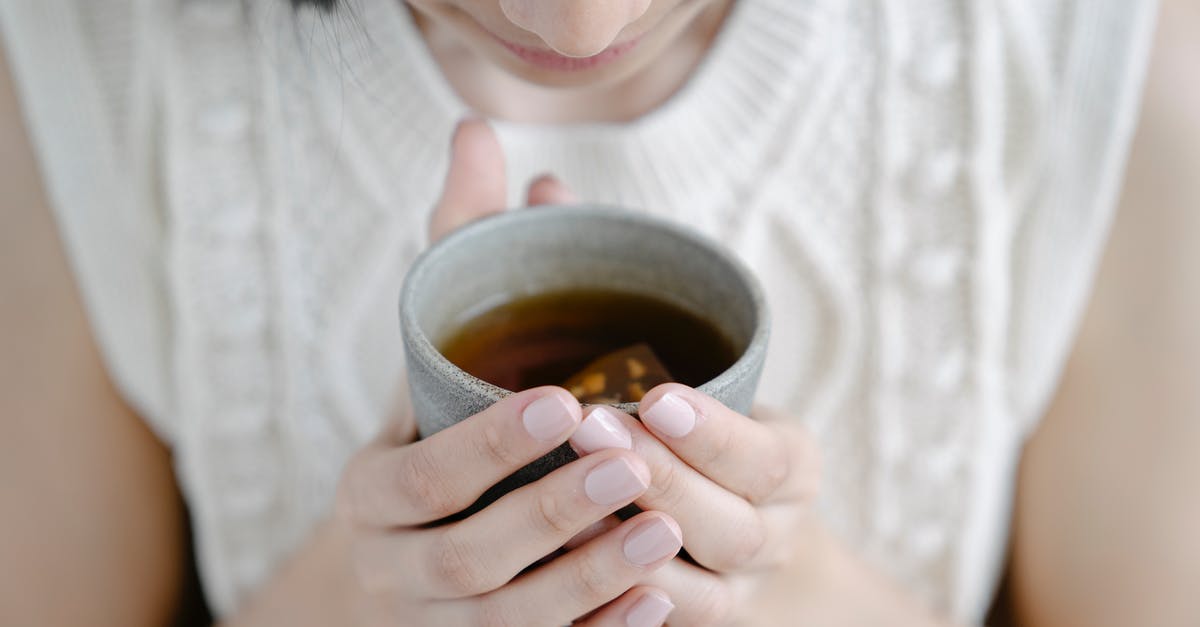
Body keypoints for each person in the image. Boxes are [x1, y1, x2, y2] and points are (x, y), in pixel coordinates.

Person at [1, 0, 1196, 625]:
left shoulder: (1098, 55)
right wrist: (348, 604)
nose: (579, 25)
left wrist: (791, 596)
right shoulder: (90, 53)